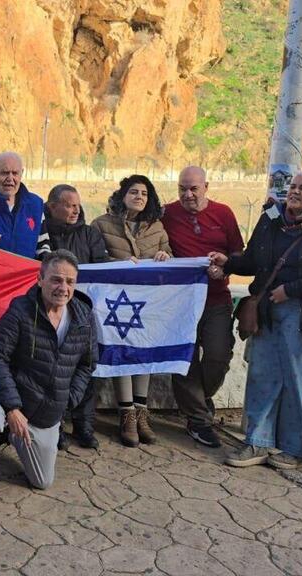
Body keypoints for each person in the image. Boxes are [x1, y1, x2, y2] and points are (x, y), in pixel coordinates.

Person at [210, 170, 302, 470]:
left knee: (298, 382)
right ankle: (257, 442)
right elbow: (254, 260)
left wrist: (291, 290)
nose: (295, 192)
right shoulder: (272, 219)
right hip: (267, 313)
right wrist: (229, 263)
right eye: (293, 186)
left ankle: (296, 450)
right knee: (262, 377)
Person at [0, 250, 95, 518]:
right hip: (13, 395)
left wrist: (70, 398)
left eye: (70, 281)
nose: (63, 288)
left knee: (42, 481)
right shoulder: (20, 310)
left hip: (47, 409)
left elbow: (87, 364)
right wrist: (12, 408)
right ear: (40, 279)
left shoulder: (84, 318)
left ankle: (15, 436)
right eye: (56, 279)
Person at [160, 166, 244, 448]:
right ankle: (198, 420)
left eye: (194, 189)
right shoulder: (166, 214)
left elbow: (238, 253)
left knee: (219, 355)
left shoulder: (224, 214)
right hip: (180, 302)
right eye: (182, 189)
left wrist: (225, 266)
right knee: (184, 359)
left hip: (216, 299)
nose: (188, 194)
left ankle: (200, 399)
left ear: (206, 187)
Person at [91, 174, 171, 448]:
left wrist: (165, 257)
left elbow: (169, 256)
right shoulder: (102, 224)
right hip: (115, 302)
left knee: (144, 352)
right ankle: (126, 415)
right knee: (122, 352)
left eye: (144, 193)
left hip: (147, 302)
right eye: (134, 192)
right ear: (122, 195)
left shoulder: (157, 228)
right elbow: (95, 258)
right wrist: (119, 262)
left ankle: (141, 414)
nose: (139, 197)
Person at [43, 184, 107, 450]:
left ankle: (84, 425)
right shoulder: (43, 233)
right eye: (69, 205)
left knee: (86, 366)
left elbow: (103, 271)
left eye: (78, 205)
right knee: (53, 371)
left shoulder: (90, 234)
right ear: (52, 206)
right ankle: (55, 425)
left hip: (83, 313)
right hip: (50, 312)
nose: (75, 210)